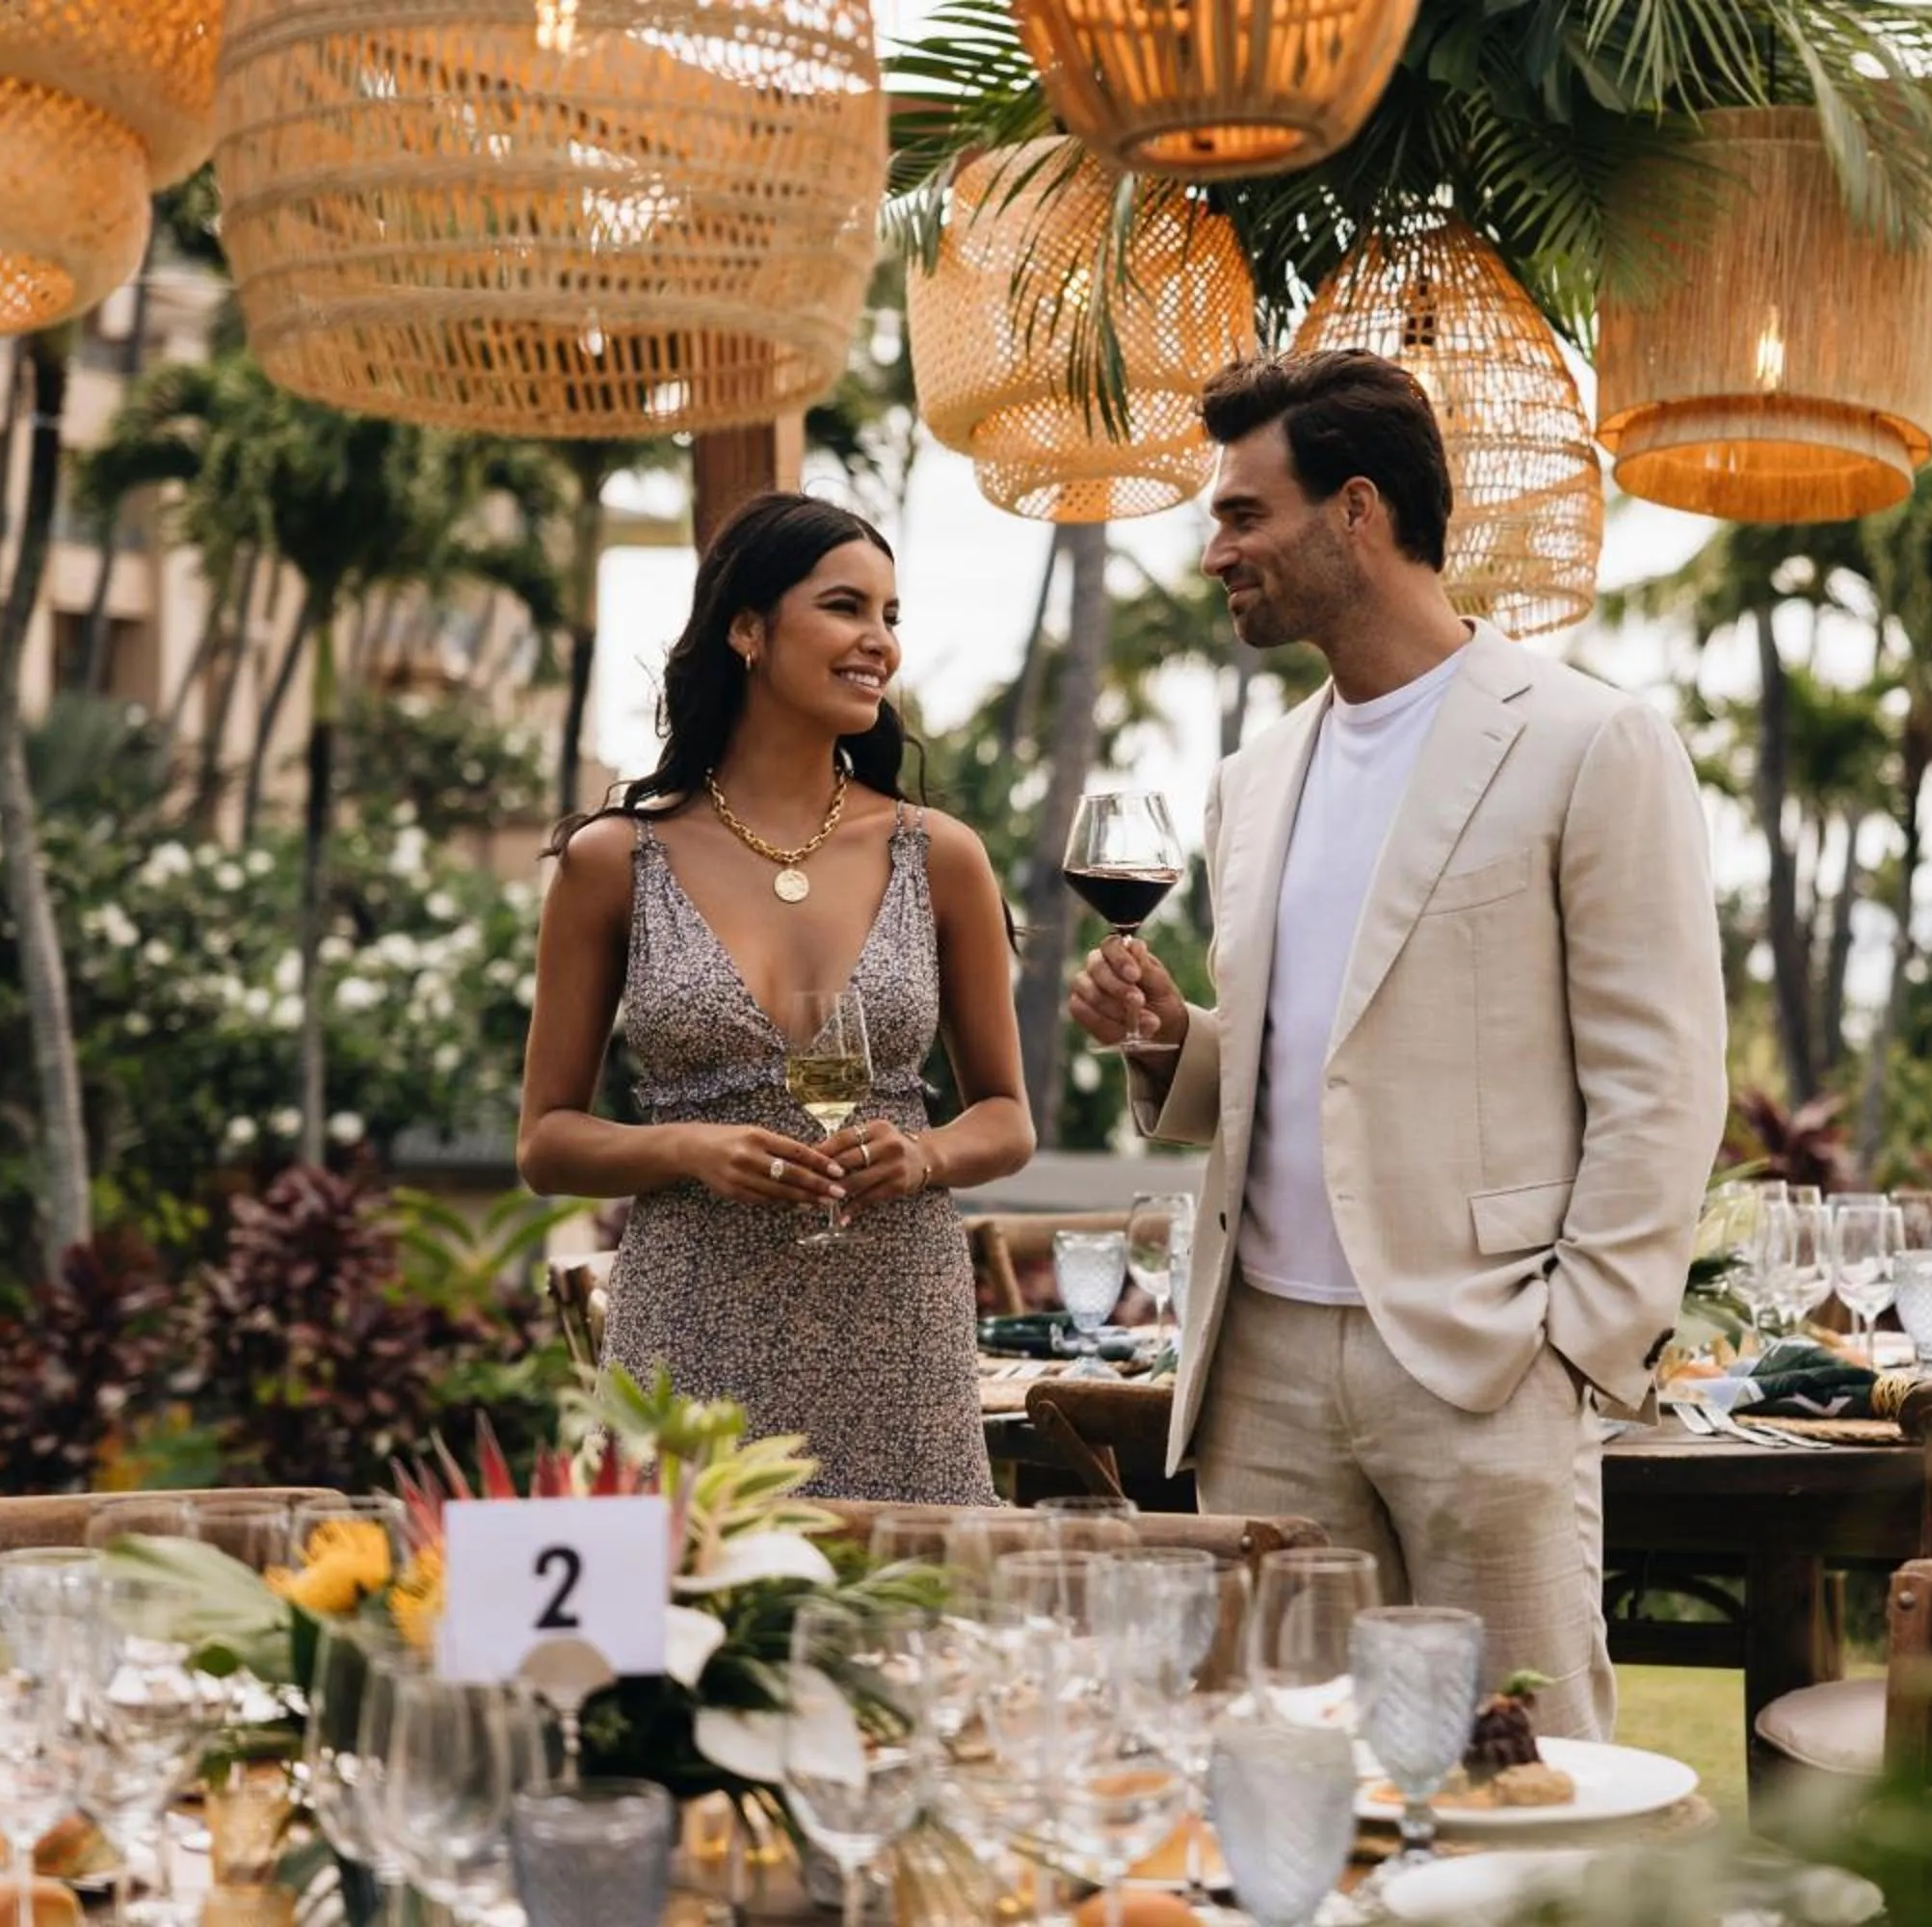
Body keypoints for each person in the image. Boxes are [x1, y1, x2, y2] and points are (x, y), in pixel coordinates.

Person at [1067, 351, 1726, 1737]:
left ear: (1355, 511)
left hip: (1484, 1367)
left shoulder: (1592, 742)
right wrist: (1171, 1042)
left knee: (1523, 1782)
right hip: (1261, 1374)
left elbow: (1662, 1085)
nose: (1214, 554)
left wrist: (1570, 1353)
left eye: (1244, 515)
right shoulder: (1250, 782)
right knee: (1286, 1784)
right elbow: (1289, 1060)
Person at [519, 491, 1034, 1504]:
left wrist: (924, 1152)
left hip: (897, 1322)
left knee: (918, 1618)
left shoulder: (943, 856)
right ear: (747, 629)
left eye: (890, 616)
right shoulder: (614, 860)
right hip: (691, 1322)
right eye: (846, 607)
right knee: (689, 1631)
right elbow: (545, 1143)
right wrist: (687, 1146)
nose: (877, 641)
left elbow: (1009, 1119)